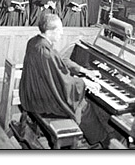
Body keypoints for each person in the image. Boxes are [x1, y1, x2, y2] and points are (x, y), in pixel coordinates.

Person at [19, 13, 114, 148]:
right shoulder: (46, 52)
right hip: (41, 101)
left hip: (32, 92)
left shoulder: (36, 41)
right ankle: (103, 140)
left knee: (83, 99)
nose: (62, 33)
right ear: (50, 31)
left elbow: (60, 61)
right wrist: (84, 82)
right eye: (59, 29)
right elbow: (63, 81)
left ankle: (93, 134)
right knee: (83, 106)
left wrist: (84, 71)